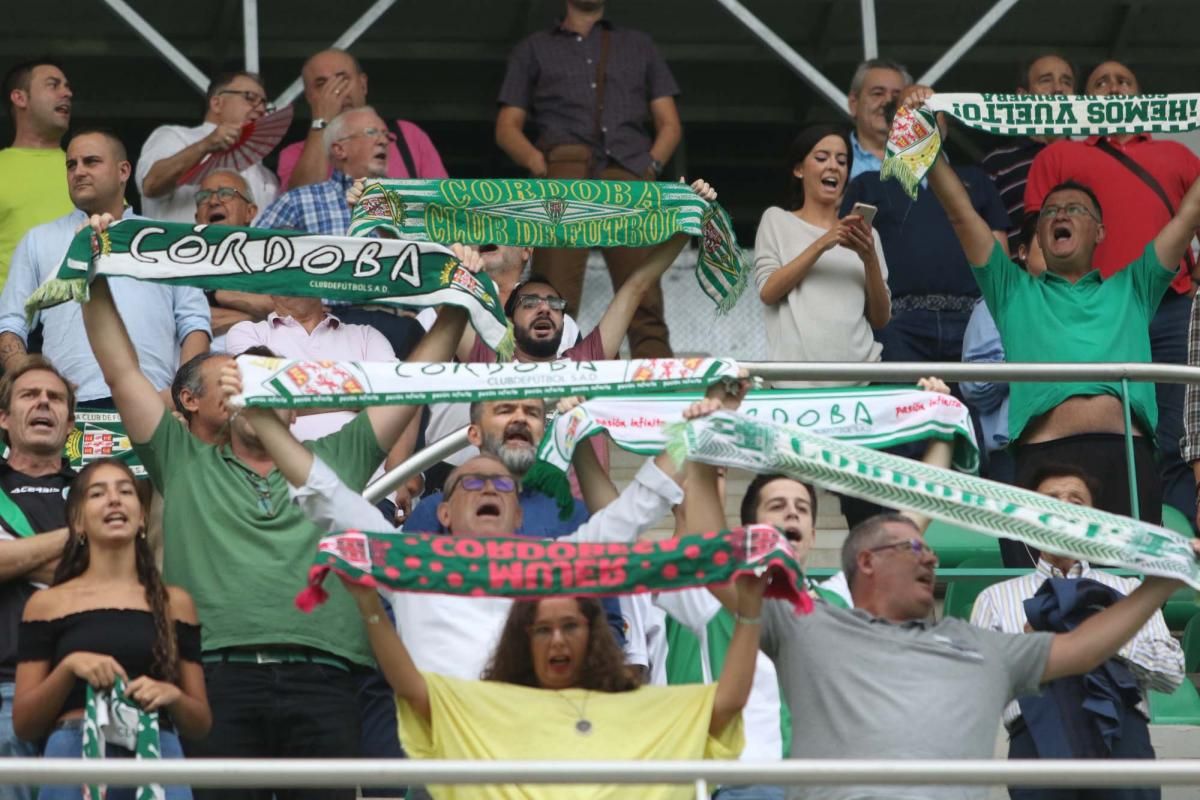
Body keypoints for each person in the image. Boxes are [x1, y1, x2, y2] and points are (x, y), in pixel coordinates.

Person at [81, 208, 481, 800]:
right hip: (215, 673)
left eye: (280, 379)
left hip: (328, 675)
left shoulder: (336, 458)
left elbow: (415, 378)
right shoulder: (181, 457)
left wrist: (458, 295)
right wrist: (96, 271)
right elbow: (119, 368)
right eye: (249, 378)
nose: (265, 388)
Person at [692, 468, 1200, 800]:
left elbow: (1083, 648)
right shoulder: (808, 623)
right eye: (915, 549)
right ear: (866, 562)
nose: (932, 557)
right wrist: (698, 459)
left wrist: (1163, 582)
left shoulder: (976, 644)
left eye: (929, 549)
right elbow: (715, 567)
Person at [910, 84, 1200, 523]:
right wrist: (923, 132)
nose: (1061, 214)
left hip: (1127, 457)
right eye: (1050, 212)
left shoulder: (1135, 286)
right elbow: (961, 212)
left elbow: (1187, 216)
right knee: (1048, 591)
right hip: (1041, 460)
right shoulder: (1010, 290)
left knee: (1129, 587)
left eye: (1076, 210)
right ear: (1039, 234)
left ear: (1100, 233)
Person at [1024, 60, 1200, 525]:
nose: (1114, 87)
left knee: (1180, 430)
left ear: (1142, 96)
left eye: (1125, 80)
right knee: (1106, 428)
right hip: (1098, 312)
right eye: (1100, 82)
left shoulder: (1179, 157)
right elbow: (1039, 244)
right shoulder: (1059, 155)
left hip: (1173, 306)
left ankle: (1177, 536)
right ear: (1083, 101)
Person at [971, 463, 1183, 800]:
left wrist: (1101, 640)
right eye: (1051, 500)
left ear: (1094, 520)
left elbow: (1171, 673)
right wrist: (1028, 655)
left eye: (1076, 502)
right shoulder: (995, 598)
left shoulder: (1130, 591)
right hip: (1036, 741)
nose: (1063, 509)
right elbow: (976, 688)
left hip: (1124, 738)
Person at [13, 458, 210, 800]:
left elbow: (201, 722)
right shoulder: (47, 604)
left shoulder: (174, 602)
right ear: (77, 521)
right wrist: (68, 669)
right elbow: (25, 724)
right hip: (72, 753)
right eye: (97, 493)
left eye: (125, 491)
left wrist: (173, 696)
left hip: (159, 747)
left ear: (143, 515)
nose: (114, 500)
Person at [496, 0, 683, 359]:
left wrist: (649, 169)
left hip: (627, 172)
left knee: (644, 293)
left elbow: (670, 123)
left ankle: (658, 387)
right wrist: (540, 165)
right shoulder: (533, 47)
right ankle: (549, 393)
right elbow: (507, 128)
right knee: (552, 295)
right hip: (563, 174)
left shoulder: (638, 44)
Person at [0, 129, 211, 407]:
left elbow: (194, 323)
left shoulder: (166, 241)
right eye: (71, 164)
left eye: (91, 161)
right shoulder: (38, 239)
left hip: (156, 405)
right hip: (66, 409)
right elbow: (10, 323)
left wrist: (179, 396)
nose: (78, 171)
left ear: (124, 171)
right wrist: (34, 383)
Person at [469, 178, 717, 364]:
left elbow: (637, 285)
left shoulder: (580, 364)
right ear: (510, 319)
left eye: (555, 304)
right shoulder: (488, 364)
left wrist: (688, 218)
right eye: (530, 302)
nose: (545, 308)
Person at [256, 106, 426, 360]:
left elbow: (430, 266)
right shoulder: (300, 200)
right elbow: (251, 258)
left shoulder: (407, 204)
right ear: (339, 149)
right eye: (371, 132)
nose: (383, 140)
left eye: (385, 134)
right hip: (334, 324)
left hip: (402, 321)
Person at [754, 124, 890, 388]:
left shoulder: (866, 235)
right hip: (794, 385)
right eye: (821, 158)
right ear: (799, 170)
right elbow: (768, 291)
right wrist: (823, 242)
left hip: (859, 381)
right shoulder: (777, 220)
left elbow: (881, 318)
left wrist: (869, 258)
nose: (833, 166)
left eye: (842, 161)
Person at [0, 357, 76, 797]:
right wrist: (78, 538)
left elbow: (117, 571)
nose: (44, 403)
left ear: (69, 424)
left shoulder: (97, 488)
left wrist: (15, 557)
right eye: (30, 395)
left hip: (81, 693)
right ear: (4, 418)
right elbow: (93, 562)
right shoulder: (93, 510)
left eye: (56, 398)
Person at [961, 217, 1047, 565]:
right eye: (1047, 240)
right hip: (1014, 454)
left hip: (1080, 451)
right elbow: (975, 386)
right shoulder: (998, 302)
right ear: (1023, 252)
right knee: (1023, 568)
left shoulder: (1093, 303)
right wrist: (1027, 353)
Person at [404, 398, 588, 537]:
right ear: (475, 434)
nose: (521, 418)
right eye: (505, 410)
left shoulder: (572, 514)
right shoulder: (433, 511)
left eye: (532, 413)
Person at [277, 48, 447, 190]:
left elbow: (444, 207)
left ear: (363, 84)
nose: (335, 91)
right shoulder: (294, 154)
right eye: (322, 84)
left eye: (343, 79)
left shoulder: (408, 136)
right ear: (309, 97)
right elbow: (300, 204)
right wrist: (321, 120)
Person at [136, 71, 279, 223]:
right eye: (250, 98)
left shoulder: (266, 175)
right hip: (181, 246)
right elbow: (151, 185)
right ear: (217, 103)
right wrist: (206, 144)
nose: (261, 109)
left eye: (264, 103)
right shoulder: (175, 137)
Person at [981, 53, 1076, 251]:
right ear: (1023, 96)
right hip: (1023, 278)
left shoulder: (1093, 155)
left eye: (1066, 82)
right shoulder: (996, 163)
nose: (1058, 89)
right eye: (1046, 81)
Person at [0, 60, 74, 290]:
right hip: (10, 319)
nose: (67, 93)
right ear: (20, 98)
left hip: (80, 318)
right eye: (53, 85)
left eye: (67, 86)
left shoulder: (89, 167)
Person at [191, 170, 274, 351]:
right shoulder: (183, 263)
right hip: (206, 364)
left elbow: (287, 310)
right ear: (197, 218)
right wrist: (257, 316)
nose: (213, 202)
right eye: (204, 197)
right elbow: (191, 321)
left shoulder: (272, 258)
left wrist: (216, 295)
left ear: (250, 212)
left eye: (226, 194)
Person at [845, 58, 910, 179]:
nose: (888, 101)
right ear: (853, 104)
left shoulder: (925, 157)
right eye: (878, 93)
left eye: (897, 96)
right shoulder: (835, 158)